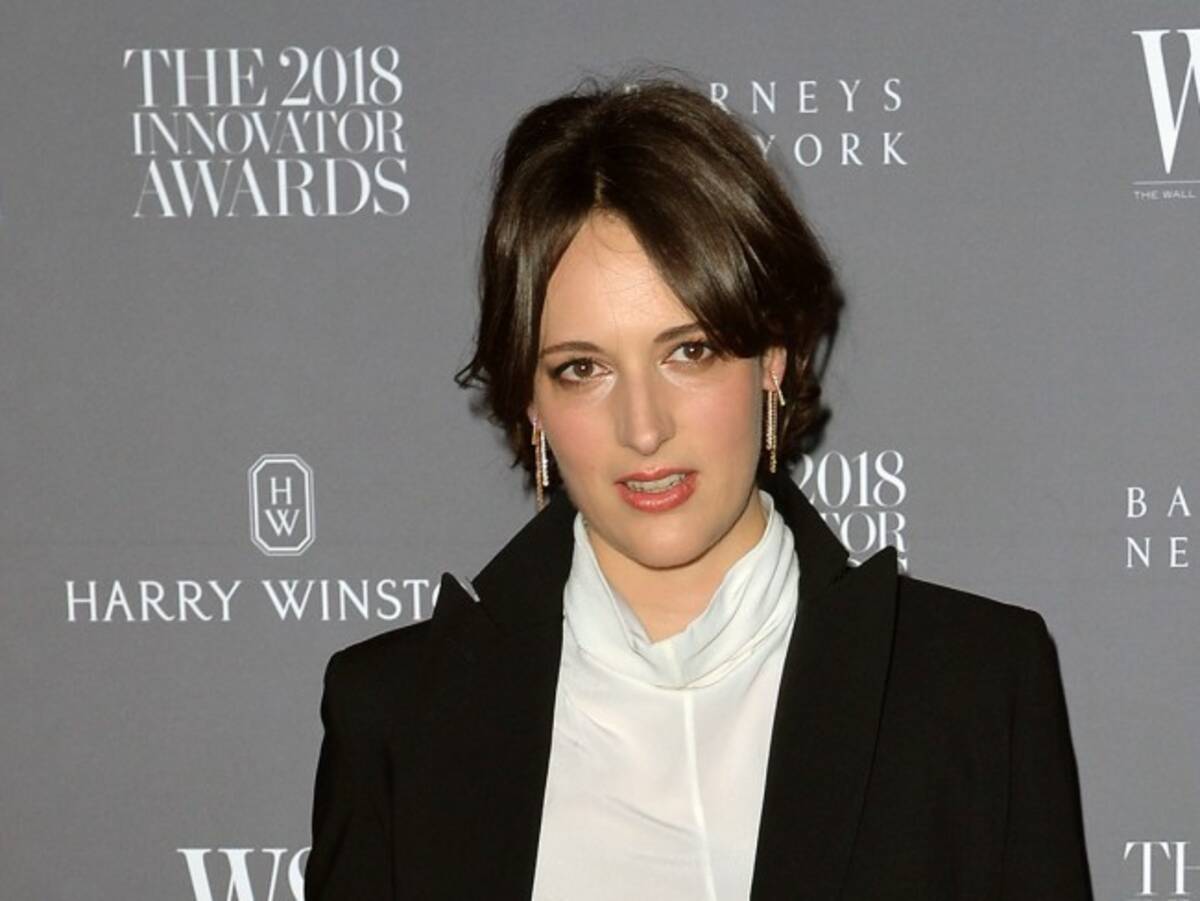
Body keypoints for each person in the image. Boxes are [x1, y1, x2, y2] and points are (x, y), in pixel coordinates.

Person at [305, 75, 1093, 900]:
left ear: (773, 356)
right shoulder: (395, 719)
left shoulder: (972, 687)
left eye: (690, 351)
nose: (643, 428)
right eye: (582, 368)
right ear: (531, 400)